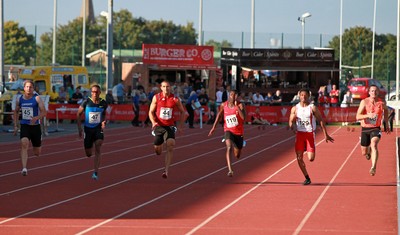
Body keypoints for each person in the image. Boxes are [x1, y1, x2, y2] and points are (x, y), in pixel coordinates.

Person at [288, 88, 334, 185]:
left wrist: (326, 134)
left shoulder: (312, 108)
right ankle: (307, 178)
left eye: (305, 95)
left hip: (309, 134)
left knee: (311, 159)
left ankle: (307, 147)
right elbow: (290, 122)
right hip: (300, 134)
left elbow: (321, 120)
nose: (303, 97)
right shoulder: (295, 108)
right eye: (301, 95)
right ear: (299, 96)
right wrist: (291, 125)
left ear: (308, 96)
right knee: (299, 158)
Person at [148, 80, 185, 179]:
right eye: (164, 86)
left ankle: (166, 170)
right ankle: (159, 144)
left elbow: (183, 112)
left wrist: (180, 126)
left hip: (170, 126)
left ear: (170, 87)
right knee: (158, 151)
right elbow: (151, 112)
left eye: (168, 86)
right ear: (161, 87)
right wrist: (153, 122)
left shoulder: (175, 99)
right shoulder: (156, 98)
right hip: (159, 126)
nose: (166, 88)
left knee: (170, 145)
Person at [13, 80, 47, 176]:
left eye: (30, 87)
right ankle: (24, 168)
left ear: (33, 88)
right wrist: (15, 125)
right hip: (25, 125)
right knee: (24, 143)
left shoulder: (37, 99)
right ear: (24, 88)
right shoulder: (19, 99)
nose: (29, 88)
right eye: (27, 87)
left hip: (35, 126)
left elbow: (44, 112)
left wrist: (36, 117)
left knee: (37, 153)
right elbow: (15, 111)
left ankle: (39, 140)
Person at [356, 85, 391, 176]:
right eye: (372, 91)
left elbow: (386, 110)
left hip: (376, 128)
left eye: (375, 91)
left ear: (378, 92)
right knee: (364, 152)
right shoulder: (364, 102)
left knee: (374, 144)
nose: (374, 93)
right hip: (365, 128)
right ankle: (368, 153)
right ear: (369, 92)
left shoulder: (381, 103)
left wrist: (386, 123)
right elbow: (358, 116)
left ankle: (373, 167)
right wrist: (368, 116)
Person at [208, 90, 245, 177]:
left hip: (238, 132)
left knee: (237, 154)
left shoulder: (240, 105)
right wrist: (213, 127)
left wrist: (237, 107)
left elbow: (243, 118)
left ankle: (238, 148)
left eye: (235, 95)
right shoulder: (223, 105)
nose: (233, 97)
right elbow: (219, 115)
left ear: (237, 97)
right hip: (228, 130)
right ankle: (230, 170)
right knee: (228, 147)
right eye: (232, 95)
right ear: (229, 96)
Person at [76, 84, 108, 180]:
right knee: (89, 153)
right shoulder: (86, 102)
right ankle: (91, 144)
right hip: (88, 130)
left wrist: (103, 121)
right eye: (93, 92)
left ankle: (95, 172)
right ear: (91, 93)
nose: (94, 94)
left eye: (96, 92)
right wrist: (79, 128)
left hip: (98, 129)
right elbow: (78, 114)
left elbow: (104, 114)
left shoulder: (104, 103)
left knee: (98, 145)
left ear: (99, 93)